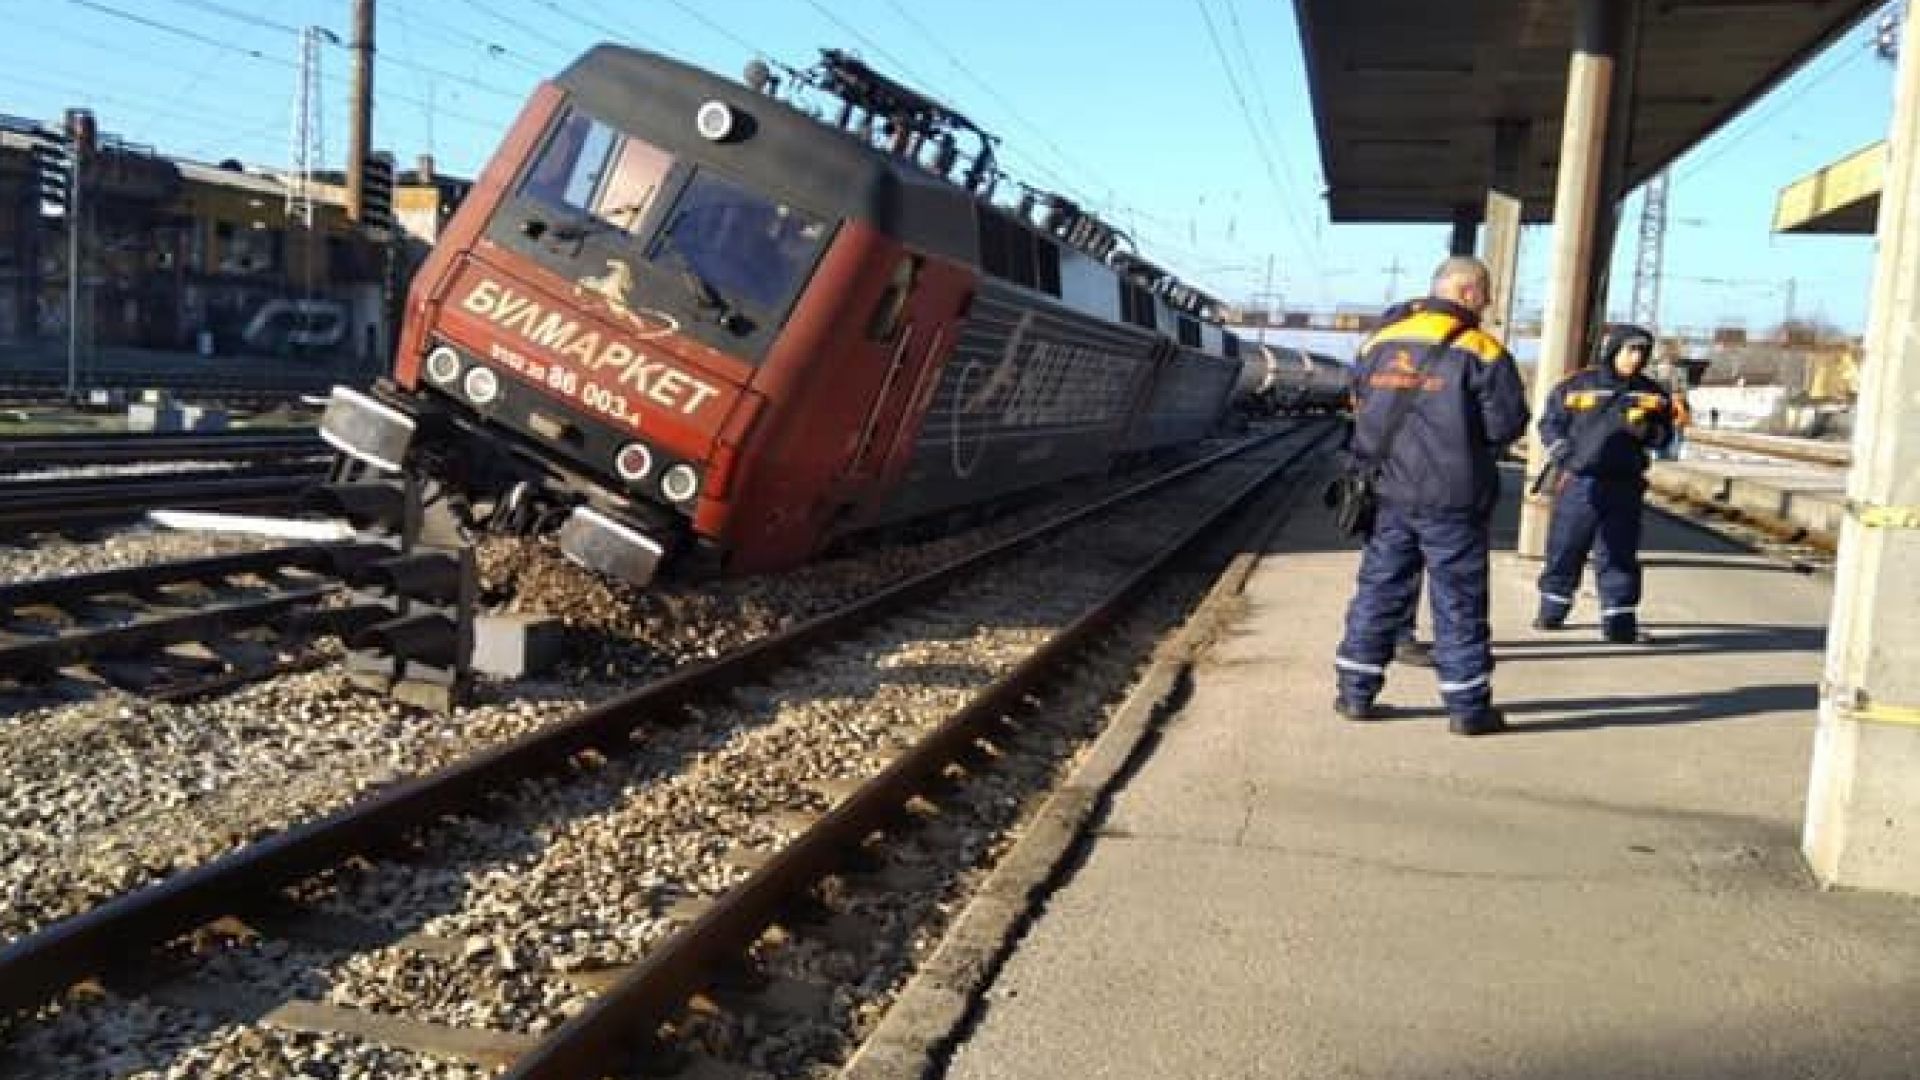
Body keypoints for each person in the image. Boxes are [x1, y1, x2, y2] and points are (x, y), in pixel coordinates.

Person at [1333, 256, 1531, 736]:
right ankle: (1467, 710)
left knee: (1378, 592)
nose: (1487, 305)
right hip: (1453, 500)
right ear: (1467, 292)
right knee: (1458, 601)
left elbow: (1357, 408)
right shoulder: (1481, 349)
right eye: (1485, 294)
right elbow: (1506, 425)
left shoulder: (1378, 343)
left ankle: (1356, 694)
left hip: (1388, 495)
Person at [1533, 325, 1674, 644]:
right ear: (1613, 350)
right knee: (1566, 548)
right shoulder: (1577, 385)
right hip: (1580, 481)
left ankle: (1619, 623)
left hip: (1625, 485)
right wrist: (1560, 450)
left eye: (1643, 352)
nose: (1636, 358)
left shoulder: (1652, 394)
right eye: (1630, 350)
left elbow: (1666, 438)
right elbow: (1550, 422)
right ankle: (1551, 611)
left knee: (1618, 554)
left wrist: (1646, 433)